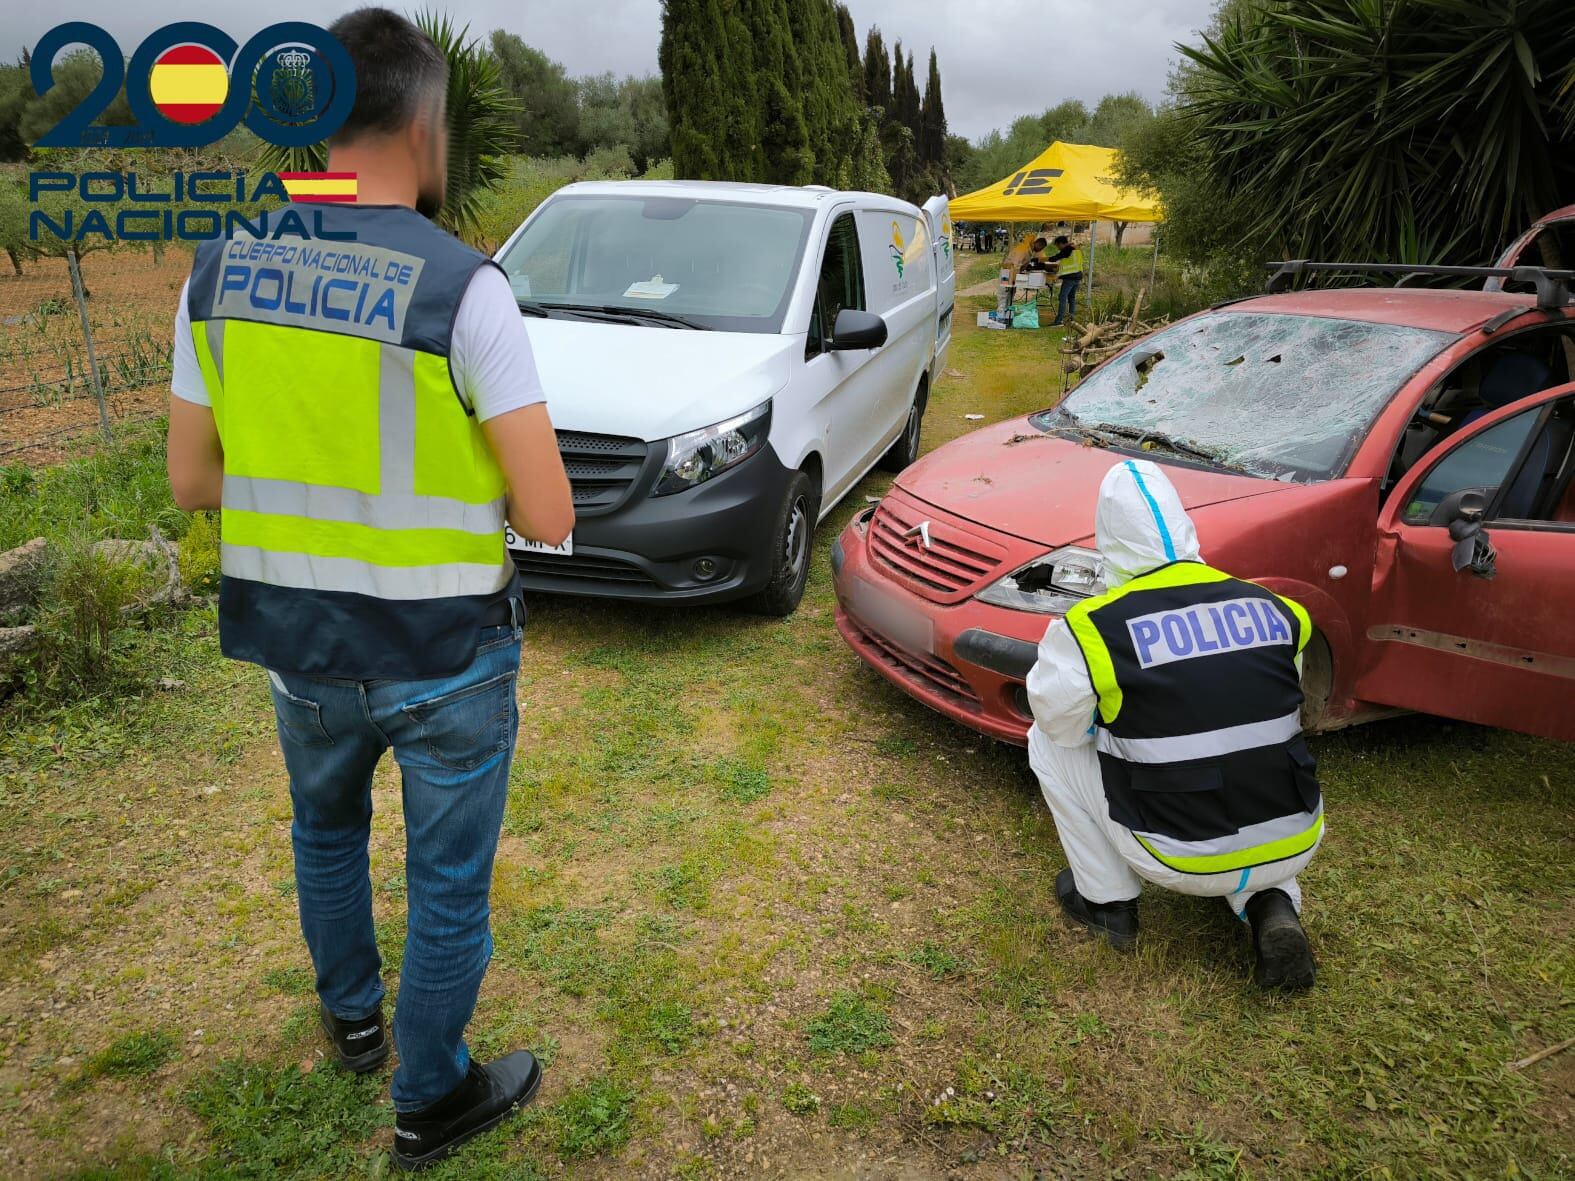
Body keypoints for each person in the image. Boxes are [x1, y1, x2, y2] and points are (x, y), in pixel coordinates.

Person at [165, 8, 575, 1168]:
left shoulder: (218, 274)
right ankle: (429, 1092)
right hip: (447, 654)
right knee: (446, 882)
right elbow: (548, 514)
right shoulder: (465, 290)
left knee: (325, 832)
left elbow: (196, 480)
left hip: (299, 646)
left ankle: (353, 1021)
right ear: (425, 124)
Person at [1025, 460, 1323, 990]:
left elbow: (1062, 725)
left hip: (1175, 852)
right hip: (1297, 833)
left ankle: (1107, 903)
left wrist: (1115, 720)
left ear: (1108, 540)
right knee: (1251, 755)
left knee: (1046, 743)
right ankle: (1273, 903)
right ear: (1185, 527)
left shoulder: (1093, 627)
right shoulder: (1276, 608)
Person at [1049, 234, 1085, 326]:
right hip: (1078, 276)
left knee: (1062, 297)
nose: (1057, 248)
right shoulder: (1076, 249)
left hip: (1070, 278)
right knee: (1071, 298)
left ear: (1061, 244)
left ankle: (1059, 320)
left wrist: (1040, 259)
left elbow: (1055, 258)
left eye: (1057, 246)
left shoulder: (1067, 249)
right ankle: (1071, 319)